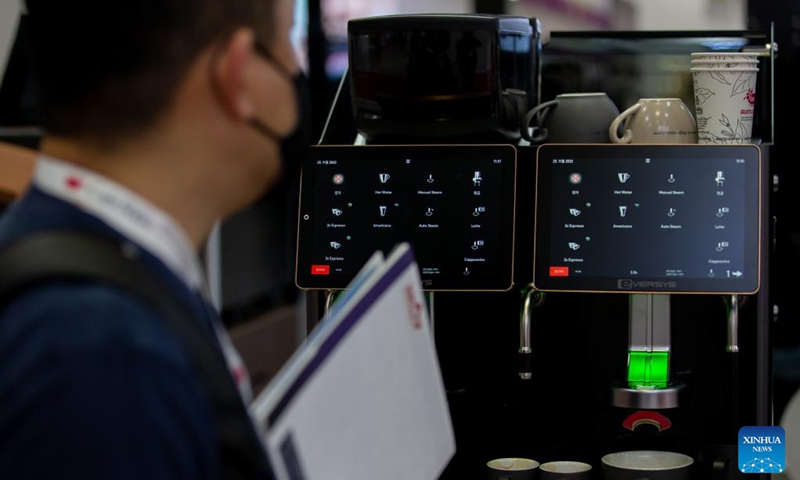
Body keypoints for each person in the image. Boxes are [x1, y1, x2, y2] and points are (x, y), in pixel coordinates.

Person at [0, 0, 309, 477]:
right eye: (288, 40)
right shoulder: (107, 364)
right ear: (238, 73)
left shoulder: (90, 278)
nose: (296, 68)